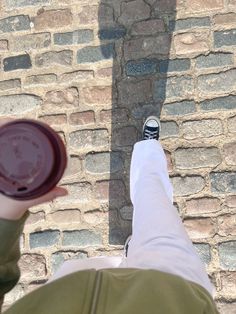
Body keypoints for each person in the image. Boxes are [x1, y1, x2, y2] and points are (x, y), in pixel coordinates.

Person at [0, 116, 219, 314]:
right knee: (153, 197)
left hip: (72, 287)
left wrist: (5, 215)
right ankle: (149, 149)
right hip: (174, 290)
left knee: (150, 197)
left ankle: (131, 253)